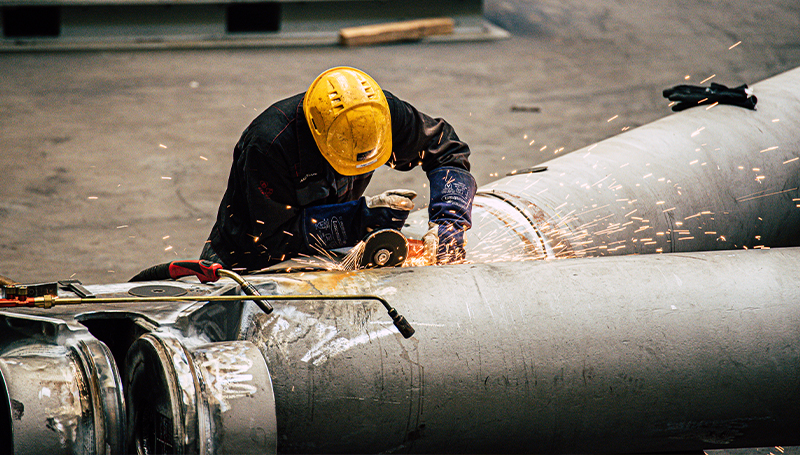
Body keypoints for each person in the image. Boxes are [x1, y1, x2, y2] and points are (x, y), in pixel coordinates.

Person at [201, 66, 476, 271]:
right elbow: (270, 241)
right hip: (246, 266)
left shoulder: (380, 114)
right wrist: (357, 220)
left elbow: (446, 150)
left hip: (331, 259)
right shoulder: (271, 145)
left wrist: (449, 220)